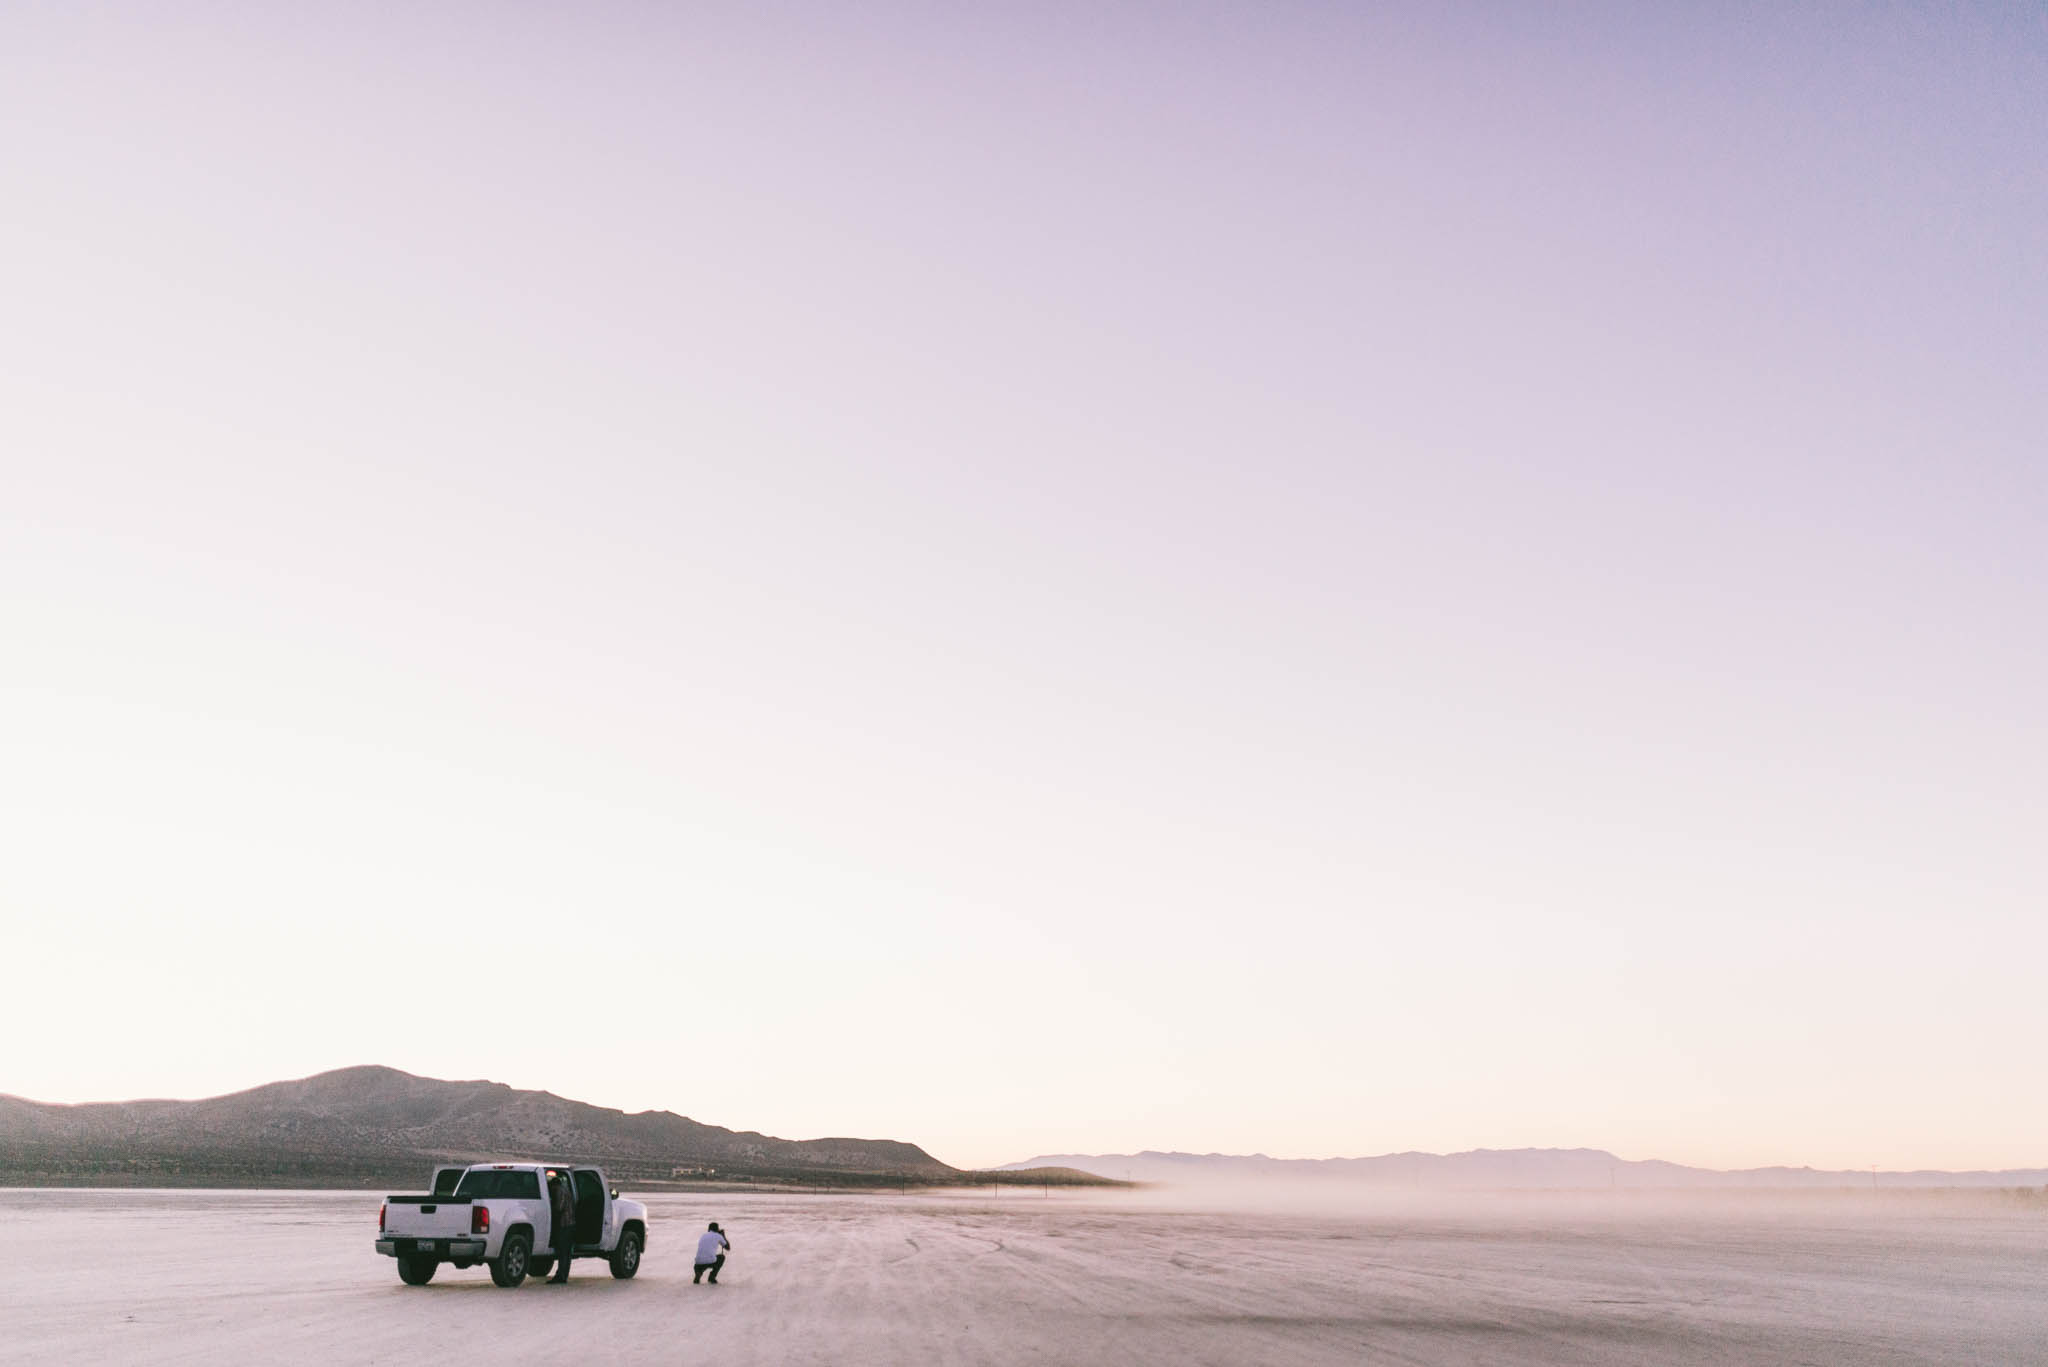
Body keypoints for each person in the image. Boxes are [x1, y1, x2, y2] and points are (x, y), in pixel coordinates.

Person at [548, 1172, 576, 1284]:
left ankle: (561, 1276)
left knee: (563, 1252)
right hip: (570, 1224)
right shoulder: (565, 1190)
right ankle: (563, 1275)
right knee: (566, 1253)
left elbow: (559, 1207)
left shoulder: (559, 1191)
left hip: (564, 1225)